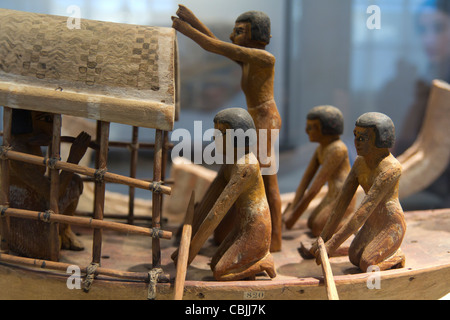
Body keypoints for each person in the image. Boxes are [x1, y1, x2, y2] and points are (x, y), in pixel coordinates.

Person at [172, 5, 283, 252]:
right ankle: (243, 230)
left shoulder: (264, 58)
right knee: (254, 173)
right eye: (234, 31)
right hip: (255, 117)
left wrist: (186, 29)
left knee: (266, 177)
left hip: (265, 117)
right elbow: (216, 43)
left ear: (259, 35)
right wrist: (194, 20)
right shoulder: (247, 57)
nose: (233, 36)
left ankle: (274, 238)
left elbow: (215, 46)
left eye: (239, 31)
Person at [179, 108, 276, 281]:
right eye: (215, 132)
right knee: (216, 263)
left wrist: (188, 255)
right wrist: (185, 247)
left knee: (220, 272)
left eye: (222, 133)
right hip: (241, 227)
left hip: (255, 229)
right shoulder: (230, 163)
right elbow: (208, 203)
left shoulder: (246, 165)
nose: (214, 138)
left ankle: (263, 262)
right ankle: (253, 262)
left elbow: (216, 214)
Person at [311, 113, 406, 272]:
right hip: (372, 222)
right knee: (354, 257)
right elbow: (342, 202)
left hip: (391, 224)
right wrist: (323, 238)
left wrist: (332, 245)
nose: (356, 142)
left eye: (363, 138)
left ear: (379, 140)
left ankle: (397, 256)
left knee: (367, 263)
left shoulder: (391, 167)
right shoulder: (360, 162)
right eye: (356, 136)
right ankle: (385, 253)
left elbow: (363, 210)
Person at [6, 109, 91, 260]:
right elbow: (52, 194)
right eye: (45, 119)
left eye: (53, 120)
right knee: (48, 252)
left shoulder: (31, 146)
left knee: (74, 182)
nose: (51, 128)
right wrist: (73, 158)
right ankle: (53, 234)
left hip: (38, 204)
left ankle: (63, 231)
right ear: (22, 122)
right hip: (23, 217)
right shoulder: (17, 153)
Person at [395, 0, 450, 209]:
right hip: (432, 188)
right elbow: (416, 145)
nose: (429, 39)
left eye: (439, 28)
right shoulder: (430, 74)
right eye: (422, 29)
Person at [284, 106, 354, 236]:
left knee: (318, 228)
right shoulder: (321, 148)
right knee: (311, 223)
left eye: (311, 127)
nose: (306, 131)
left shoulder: (337, 149)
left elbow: (315, 187)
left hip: (344, 198)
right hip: (331, 194)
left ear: (325, 129)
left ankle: (351, 225)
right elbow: (306, 180)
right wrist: (292, 209)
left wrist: (293, 217)